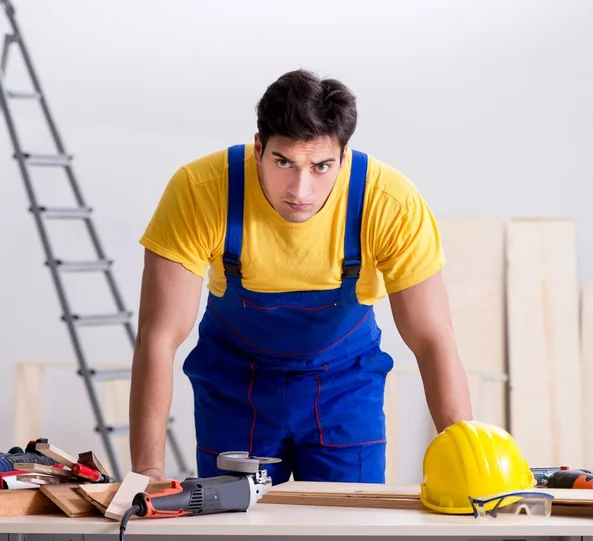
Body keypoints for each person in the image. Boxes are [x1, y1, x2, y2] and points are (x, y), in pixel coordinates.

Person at [129, 69, 473, 485]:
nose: (300, 189)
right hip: (236, 384)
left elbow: (432, 337)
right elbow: (158, 334)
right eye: (283, 162)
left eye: (322, 166)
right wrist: (147, 472)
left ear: (344, 157)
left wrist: (465, 462)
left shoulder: (388, 203)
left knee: (349, 527)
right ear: (259, 148)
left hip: (345, 386)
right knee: (235, 527)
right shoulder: (201, 191)